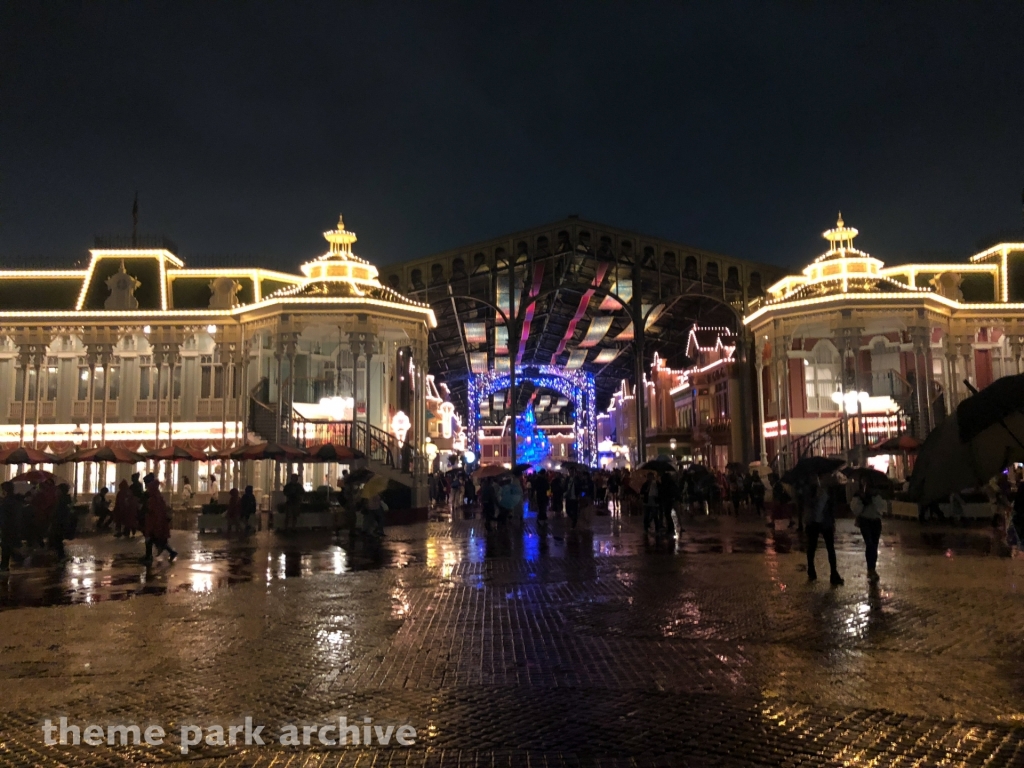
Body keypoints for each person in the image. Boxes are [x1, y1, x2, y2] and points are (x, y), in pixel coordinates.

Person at [805, 474, 843, 585]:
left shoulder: (830, 491)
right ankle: (811, 569)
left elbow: (832, 507)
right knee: (812, 546)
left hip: (826, 522)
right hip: (813, 522)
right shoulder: (811, 490)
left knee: (830, 548)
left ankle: (834, 573)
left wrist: (833, 521)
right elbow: (806, 504)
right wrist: (815, 497)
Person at [851, 478, 885, 582]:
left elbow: (881, 508)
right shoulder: (859, 495)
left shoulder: (877, 495)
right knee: (869, 544)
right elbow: (856, 510)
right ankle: (870, 569)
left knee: (874, 545)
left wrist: (873, 498)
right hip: (865, 522)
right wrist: (863, 501)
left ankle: (872, 568)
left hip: (875, 522)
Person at [143, 478, 177, 563]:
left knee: (152, 539)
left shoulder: (154, 498)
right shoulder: (158, 497)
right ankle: (171, 552)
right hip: (157, 523)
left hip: (154, 523)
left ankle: (149, 557)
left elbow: (152, 510)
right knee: (156, 540)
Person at [1, 481, 21, 571]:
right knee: (7, 545)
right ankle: (6, 563)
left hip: (8, 526)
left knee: (6, 545)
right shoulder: (12, 500)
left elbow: (5, 515)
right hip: (11, 526)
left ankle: (5, 564)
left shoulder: (7, 501)